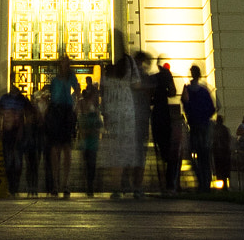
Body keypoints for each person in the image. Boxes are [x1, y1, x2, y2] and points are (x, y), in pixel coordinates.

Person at [99, 61, 142, 197]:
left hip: (114, 125)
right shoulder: (125, 85)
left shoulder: (107, 85)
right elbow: (137, 83)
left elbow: (104, 107)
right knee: (128, 155)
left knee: (116, 158)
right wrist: (131, 61)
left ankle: (117, 187)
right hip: (127, 124)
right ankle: (129, 185)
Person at [145, 55, 178, 194]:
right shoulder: (167, 76)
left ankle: (164, 183)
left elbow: (149, 96)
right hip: (165, 114)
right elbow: (172, 92)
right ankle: (169, 183)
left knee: (160, 150)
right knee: (168, 150)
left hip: (157, 115)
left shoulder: (153, 78)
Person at [46, 56, 78, 196]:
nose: (65, 65)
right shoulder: (54, 80)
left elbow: (77, 91)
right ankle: (55, 183)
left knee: (66, 148)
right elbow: (51, 95)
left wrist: (75, 105)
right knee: (55, 149)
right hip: (56, 112)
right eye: (63, 63)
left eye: (67, 63)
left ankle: (65, 183)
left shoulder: (71, 77)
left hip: (66, 112)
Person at [181, 65, 216, 190]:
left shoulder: (189, 89)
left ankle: (202, 182)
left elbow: (185, 105)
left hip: (195, 125)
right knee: (204, 156)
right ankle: (205, 182)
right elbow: (212, 108)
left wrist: (192, 115)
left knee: (195, 155)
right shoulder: (204, 90)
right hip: (203, 125)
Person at [0, 83, 30, 191]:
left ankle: (14, 184)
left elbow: (27, 114)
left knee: (15, 159)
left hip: (17, 132)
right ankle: (13, 184)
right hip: (9, 132)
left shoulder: (20, 99)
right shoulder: (6, 99)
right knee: (10, 159)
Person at [76, 78, 104, 196]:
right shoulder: (88, 110)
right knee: (89, 163)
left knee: (89, 163)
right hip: (89, 141)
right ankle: (89, 184)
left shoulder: (87, 110)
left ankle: (89, 184)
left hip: (89, 142)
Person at [209, 112, 233, 188]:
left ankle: (223, 185)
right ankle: (224, 184)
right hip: (224, 152)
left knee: (219, 169)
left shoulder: (214, 130)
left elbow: (213, 140)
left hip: (218, 152)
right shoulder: (225, 129)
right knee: (224, 169)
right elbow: (228, 140)